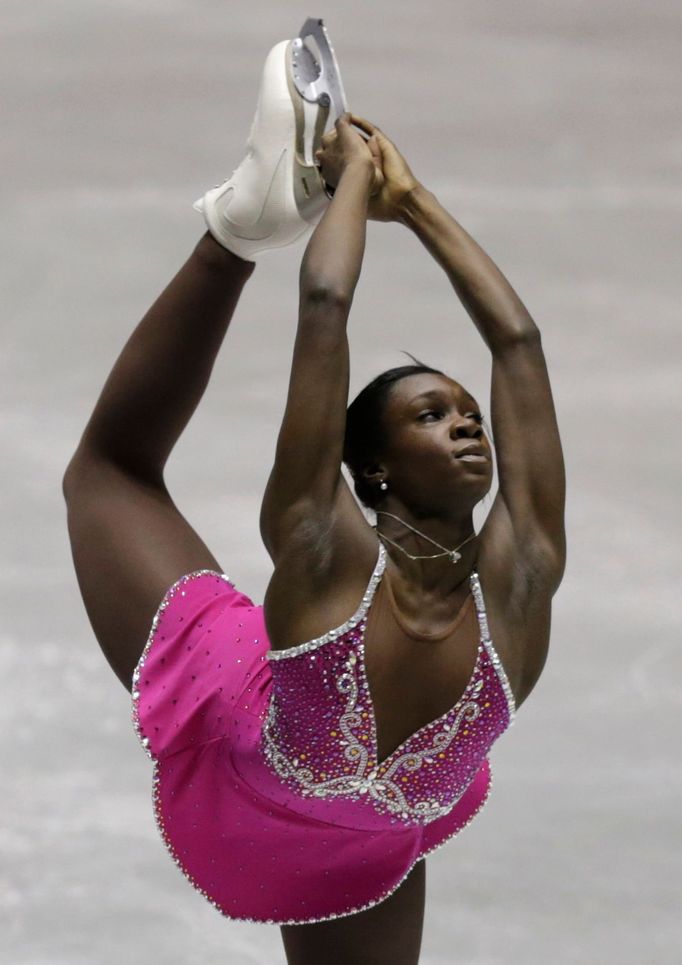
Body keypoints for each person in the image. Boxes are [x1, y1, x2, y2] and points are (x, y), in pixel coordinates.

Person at [62, 25, 565, 965]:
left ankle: (242, 225)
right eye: (429, 414)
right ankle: (238, 231)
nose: (467, 423)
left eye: (467, 415)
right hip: (242, 728)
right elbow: (325, 310)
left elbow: (520, 349)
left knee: (108, 473)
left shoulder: (521, 581)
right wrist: (352, 186)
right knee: (111, 470)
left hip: (350, 855)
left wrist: (403, 198)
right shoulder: (325, 548)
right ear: (367, 470)